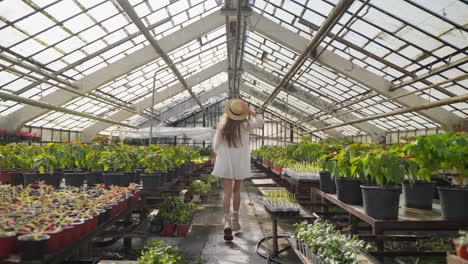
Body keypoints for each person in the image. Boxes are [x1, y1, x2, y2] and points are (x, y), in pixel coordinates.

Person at [212, 99, 264, 241]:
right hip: (240, 163)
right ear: (241, 114)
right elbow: (260, 121)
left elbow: (216, 146)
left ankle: (227, 222)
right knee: (236, 191)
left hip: (225, 163)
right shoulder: (245, 125)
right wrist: (250, 111)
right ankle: (235, 220)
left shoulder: (222, 127)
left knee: (227, 193)